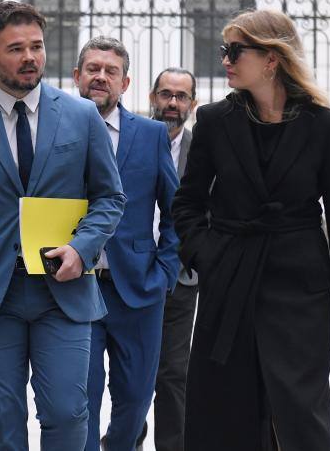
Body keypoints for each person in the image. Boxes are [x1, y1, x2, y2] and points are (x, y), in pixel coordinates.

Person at [172, 10, 330, 450]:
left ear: (271, 58)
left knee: (301, 410)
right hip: (229, 281)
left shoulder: (325, 126)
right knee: (225, 409)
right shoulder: (213, 120)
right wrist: (206, 255)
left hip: (299, 288)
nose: (225, 59)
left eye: (235, 51)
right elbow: (187, 203)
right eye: (224, 50)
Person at [0, 1, 126, 451]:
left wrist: (83, 248)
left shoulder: (80, 116)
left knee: (67, 412)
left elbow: (110, 197)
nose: (29, 57)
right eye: (15, 48)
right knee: (2, 419)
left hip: (64, 290)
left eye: (36, 46)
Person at [73, 37, 179, 451]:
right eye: (93, 68)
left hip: (138, 288)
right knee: (80, 399)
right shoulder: (53, 128)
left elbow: (176, 211)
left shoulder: (151, 135)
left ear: (126, 82)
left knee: (135, 399)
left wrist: (165, 271)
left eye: (110, 71)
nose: (101, 76)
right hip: (73, 287)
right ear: (77, 77)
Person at [148, 67, 199, 451]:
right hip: (130, 276)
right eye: (166, 94)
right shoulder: (129, 138)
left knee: (173, 374)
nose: (172, 104)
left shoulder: (203, 150)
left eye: (181, 97)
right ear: (153, 97)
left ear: (192, 104)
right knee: (129, 373)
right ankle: (125, 438)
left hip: (182, 278)